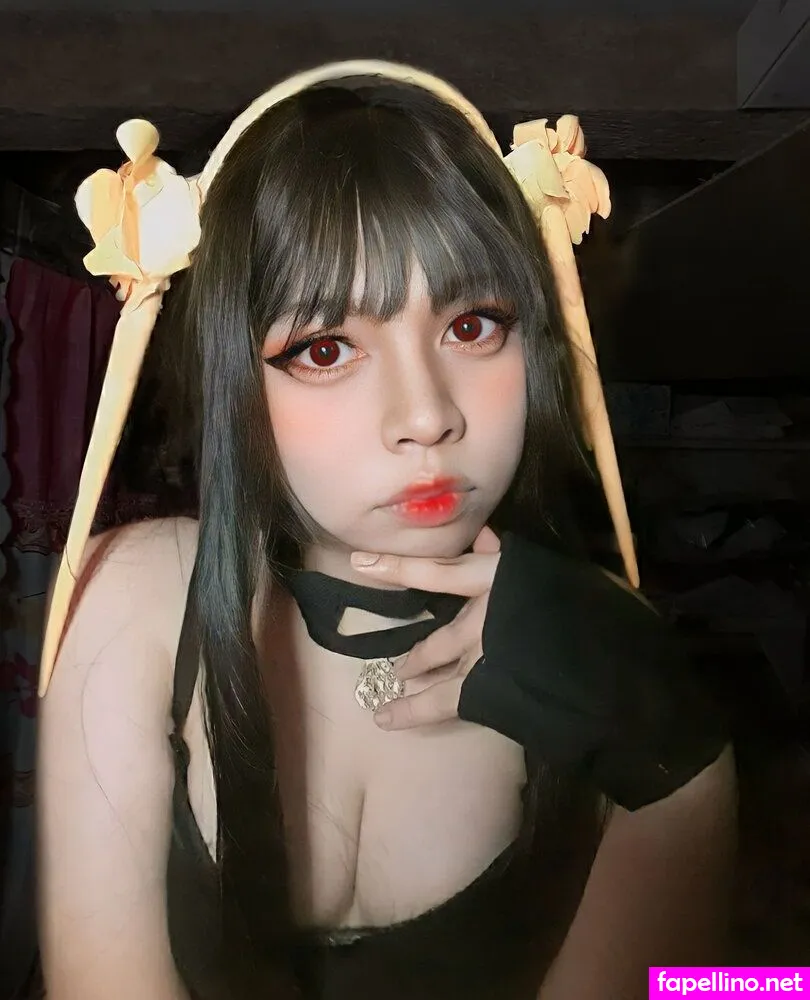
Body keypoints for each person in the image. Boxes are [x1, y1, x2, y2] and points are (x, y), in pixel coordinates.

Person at [36, 62, 736, 1000]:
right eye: (327, 348)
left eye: (474, 326)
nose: (427, 415)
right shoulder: (137, 600)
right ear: (232, 379)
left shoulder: (604, 634)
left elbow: (726, 983)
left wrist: (688, 771)